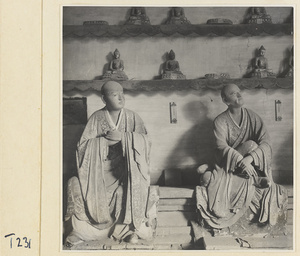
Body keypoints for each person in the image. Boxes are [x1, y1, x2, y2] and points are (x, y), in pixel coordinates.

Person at [64, 81, 156, 246]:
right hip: (98, 173)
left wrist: (125, 138)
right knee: (73, 183)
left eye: (122, 94)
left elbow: (146, 142)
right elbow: (82, 147)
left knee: (133, 184)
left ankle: (129, 231)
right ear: (103, 98)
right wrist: (104, 142)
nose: (121, 98)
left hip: (125, 170)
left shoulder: (133, 117)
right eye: (115, 95)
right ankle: (81, 231)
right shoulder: (96, 118)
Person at [196, 84, 288, 232]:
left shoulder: (253, 117)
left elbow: (266, 143)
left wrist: (250, 159)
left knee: (252, 145)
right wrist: (240, 160)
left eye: (239, 92)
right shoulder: (220, 121)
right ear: (226, 101)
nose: (239, 95)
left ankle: (253, 179)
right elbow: (221, 146)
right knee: (207, 180)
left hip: (250, 164)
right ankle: (248, 179)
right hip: (228, 166)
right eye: (233, 94)